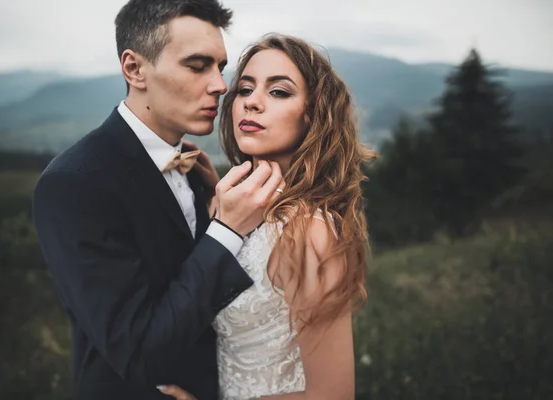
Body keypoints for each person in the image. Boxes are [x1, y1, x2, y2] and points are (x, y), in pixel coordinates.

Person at [32, 1, 285, 399]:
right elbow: (136, 351)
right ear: (134, 69)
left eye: (220, 67)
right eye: (197, 65)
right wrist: (227, 230)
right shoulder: (74, 183)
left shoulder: (196, 172)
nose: (220, 85)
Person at [157, 34, 376, 400]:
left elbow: (332, 395)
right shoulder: (226, 206)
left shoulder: (310, 233)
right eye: (244, 89)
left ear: (312, 114)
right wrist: (215, 188)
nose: (251, 103)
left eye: (279, 92)